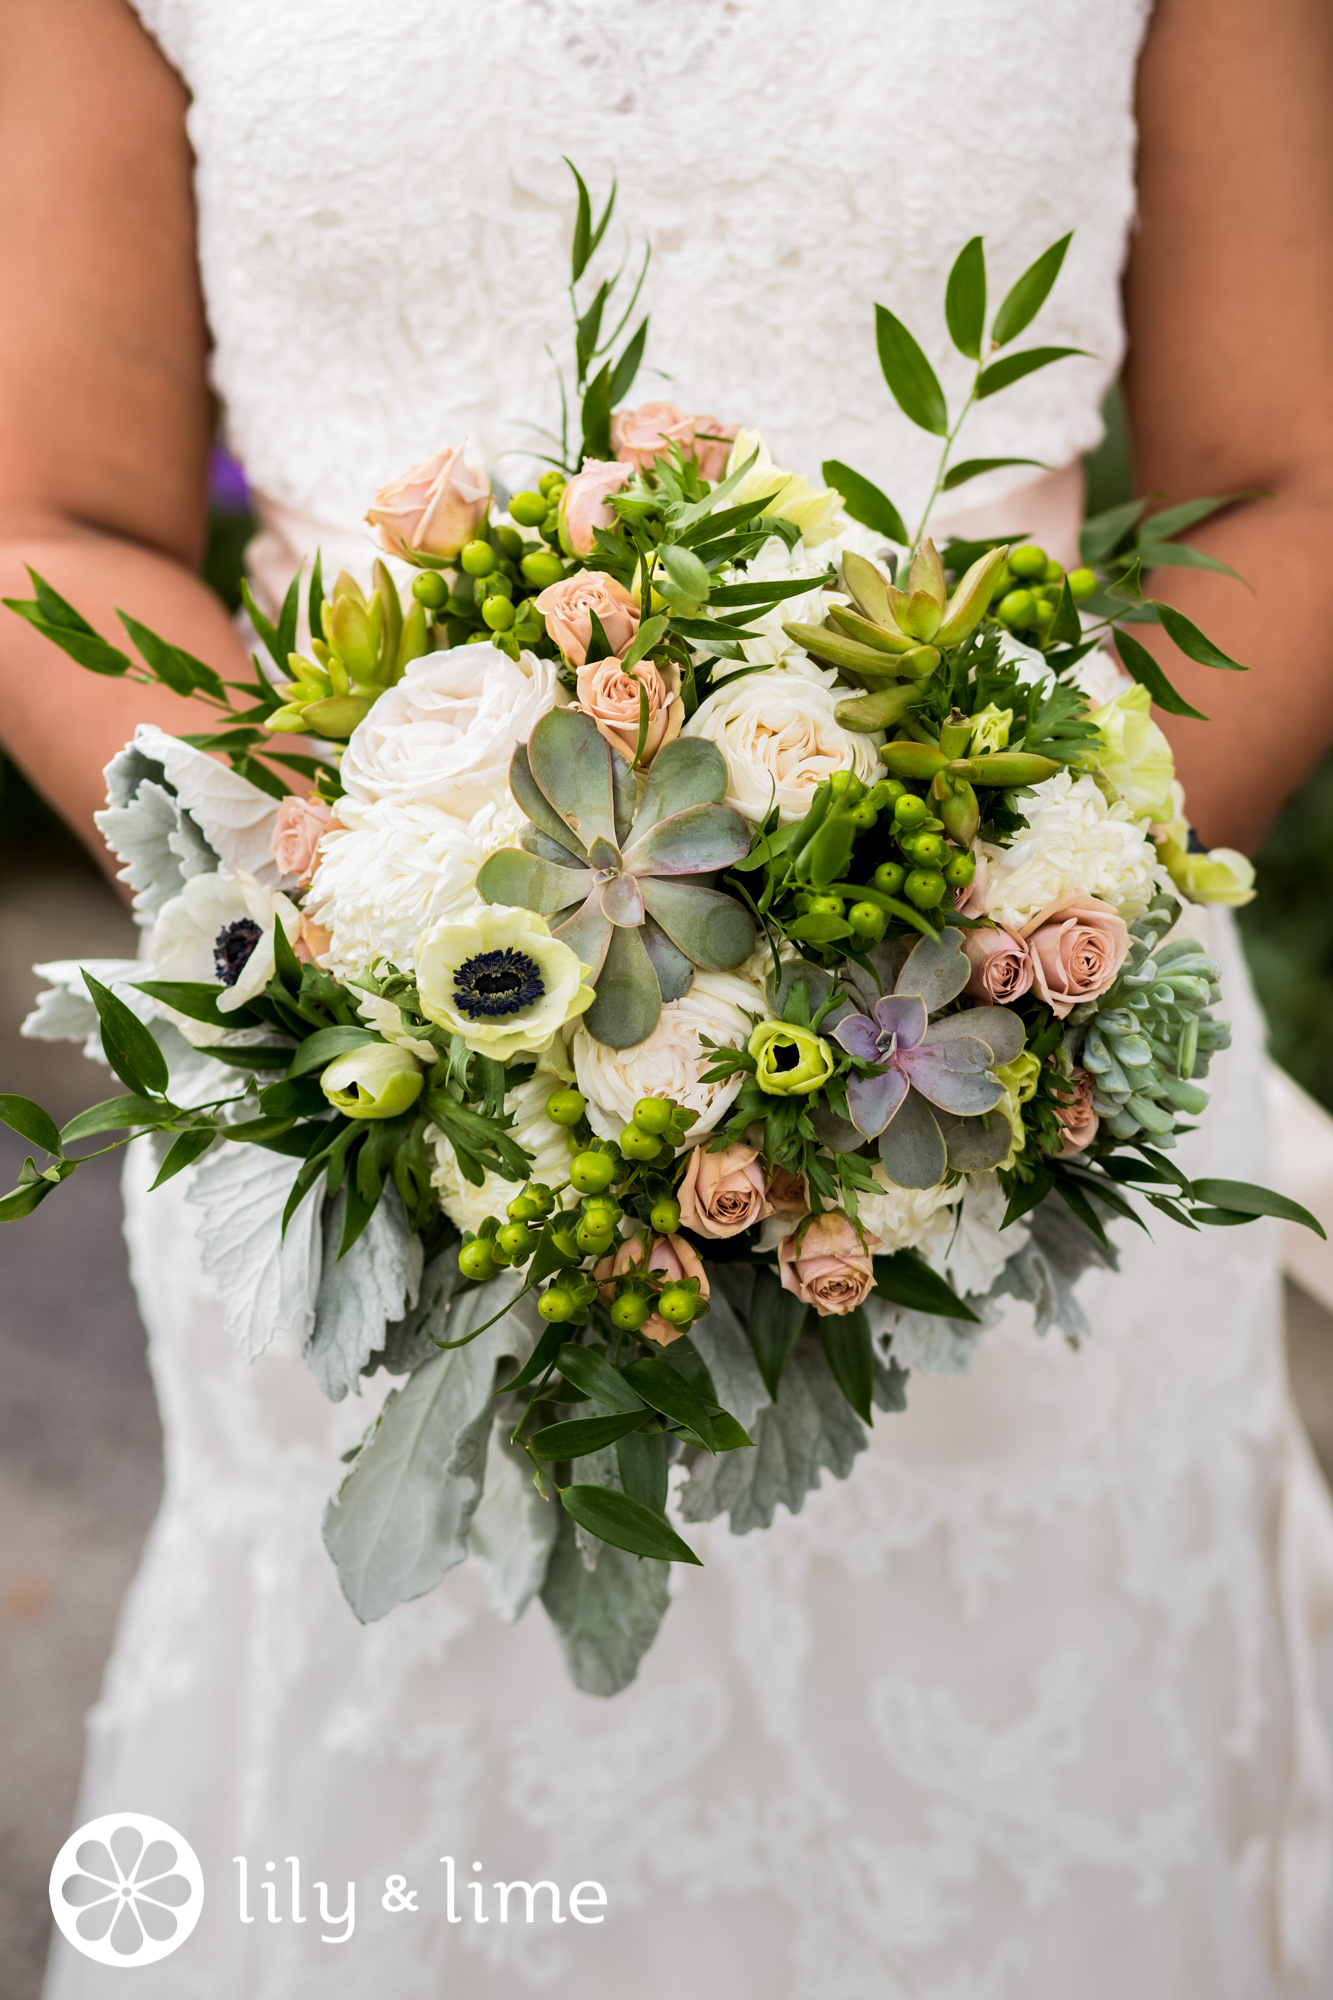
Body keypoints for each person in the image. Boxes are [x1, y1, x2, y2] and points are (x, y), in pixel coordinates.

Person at [5, 0, 1333, 1993]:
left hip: (1008, 1118)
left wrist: (982, 971)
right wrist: (372, 936)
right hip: (379, 1125)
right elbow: (56, 523)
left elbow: (1285, 482)